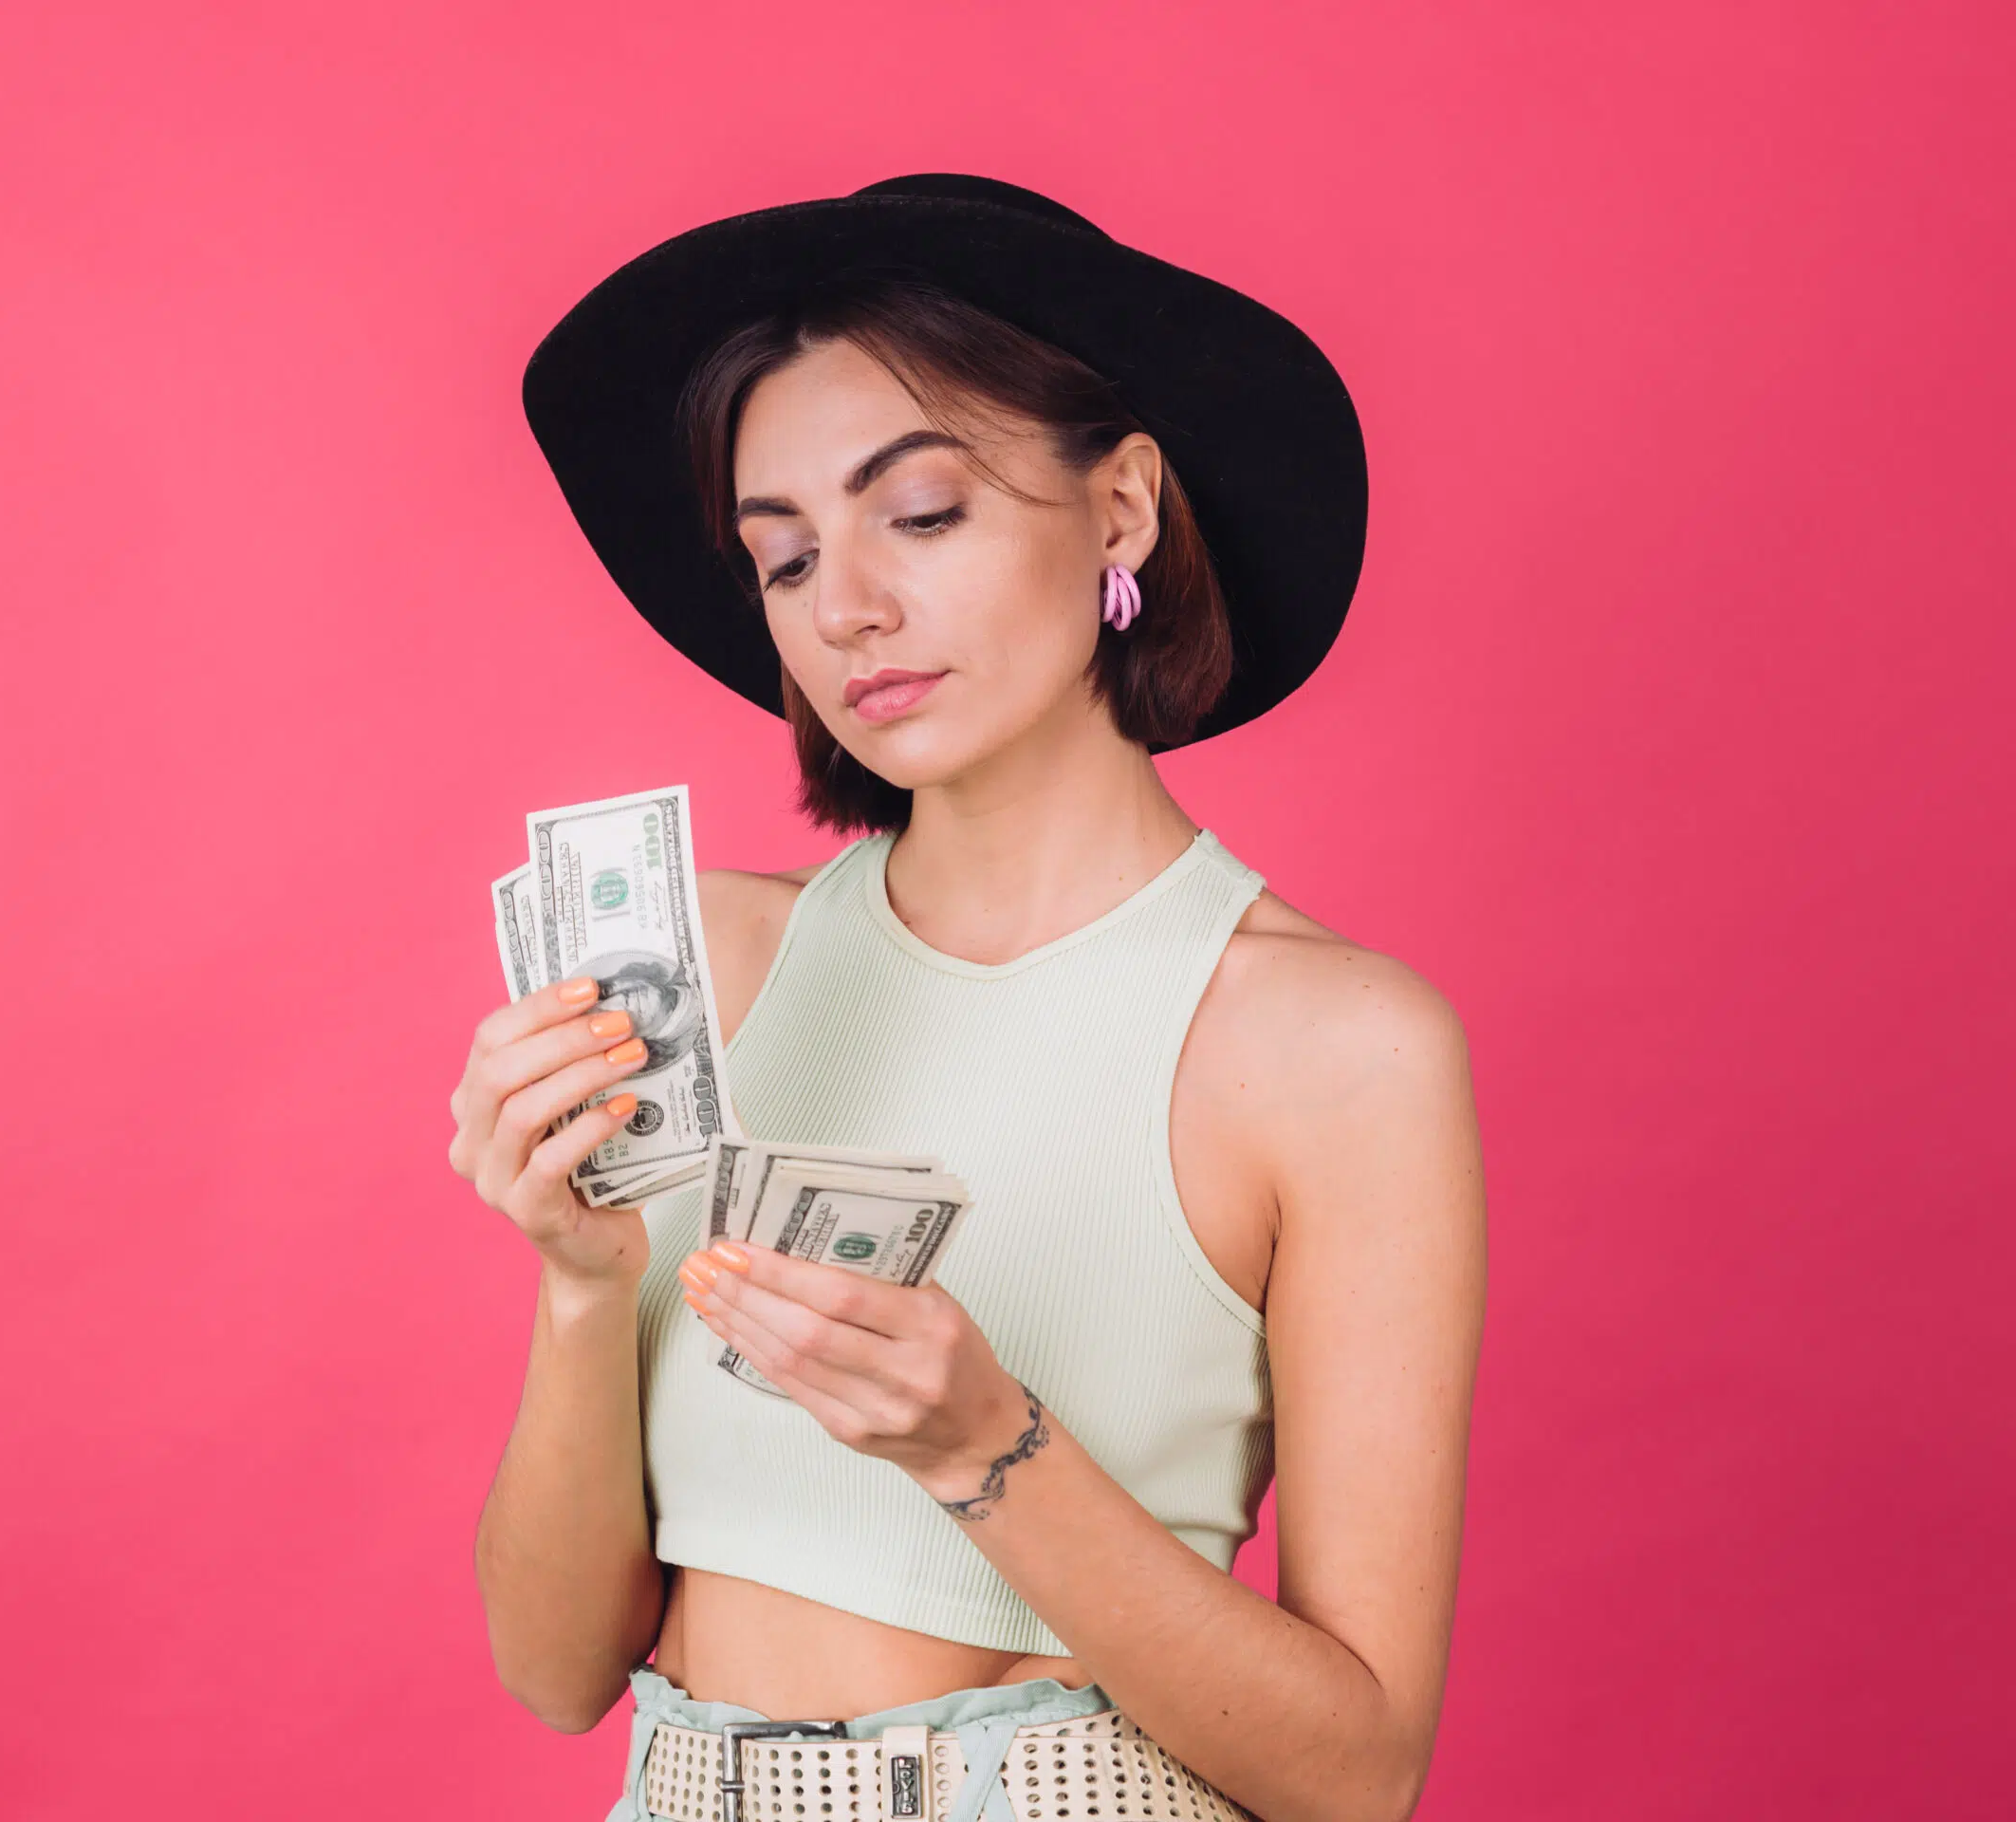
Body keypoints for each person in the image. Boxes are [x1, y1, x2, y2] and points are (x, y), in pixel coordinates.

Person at [453, 174, 1486, 1822]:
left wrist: (984, 1450)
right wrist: (580, 1288)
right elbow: (555, 1668)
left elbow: (1358, 1775)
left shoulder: (1335, 1049)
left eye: (920, 516)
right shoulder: (712, 965)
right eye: (781, 558)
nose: (845, 607)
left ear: (1126, 511)